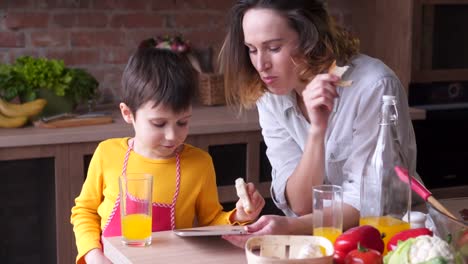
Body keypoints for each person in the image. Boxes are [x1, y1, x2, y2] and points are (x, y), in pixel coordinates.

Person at [218, 0, 418, 247]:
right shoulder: (270, 95)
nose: (261, 65)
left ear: (310, 38)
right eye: (252, 49)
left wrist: (288, 226)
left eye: (273, 47)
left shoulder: (373, 86)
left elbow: (367, 205)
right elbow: (301, 205)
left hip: (385, 241)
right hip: (314, 241)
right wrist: (316, 131)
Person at [70, 39, 265, 263]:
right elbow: (84, 212)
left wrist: (239, 216)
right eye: (159, 124)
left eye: (182, 122)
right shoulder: (107, 153)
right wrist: (94, 255)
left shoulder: (199, 163)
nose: (172, 135)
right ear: (128, 113)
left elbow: (211, 222)